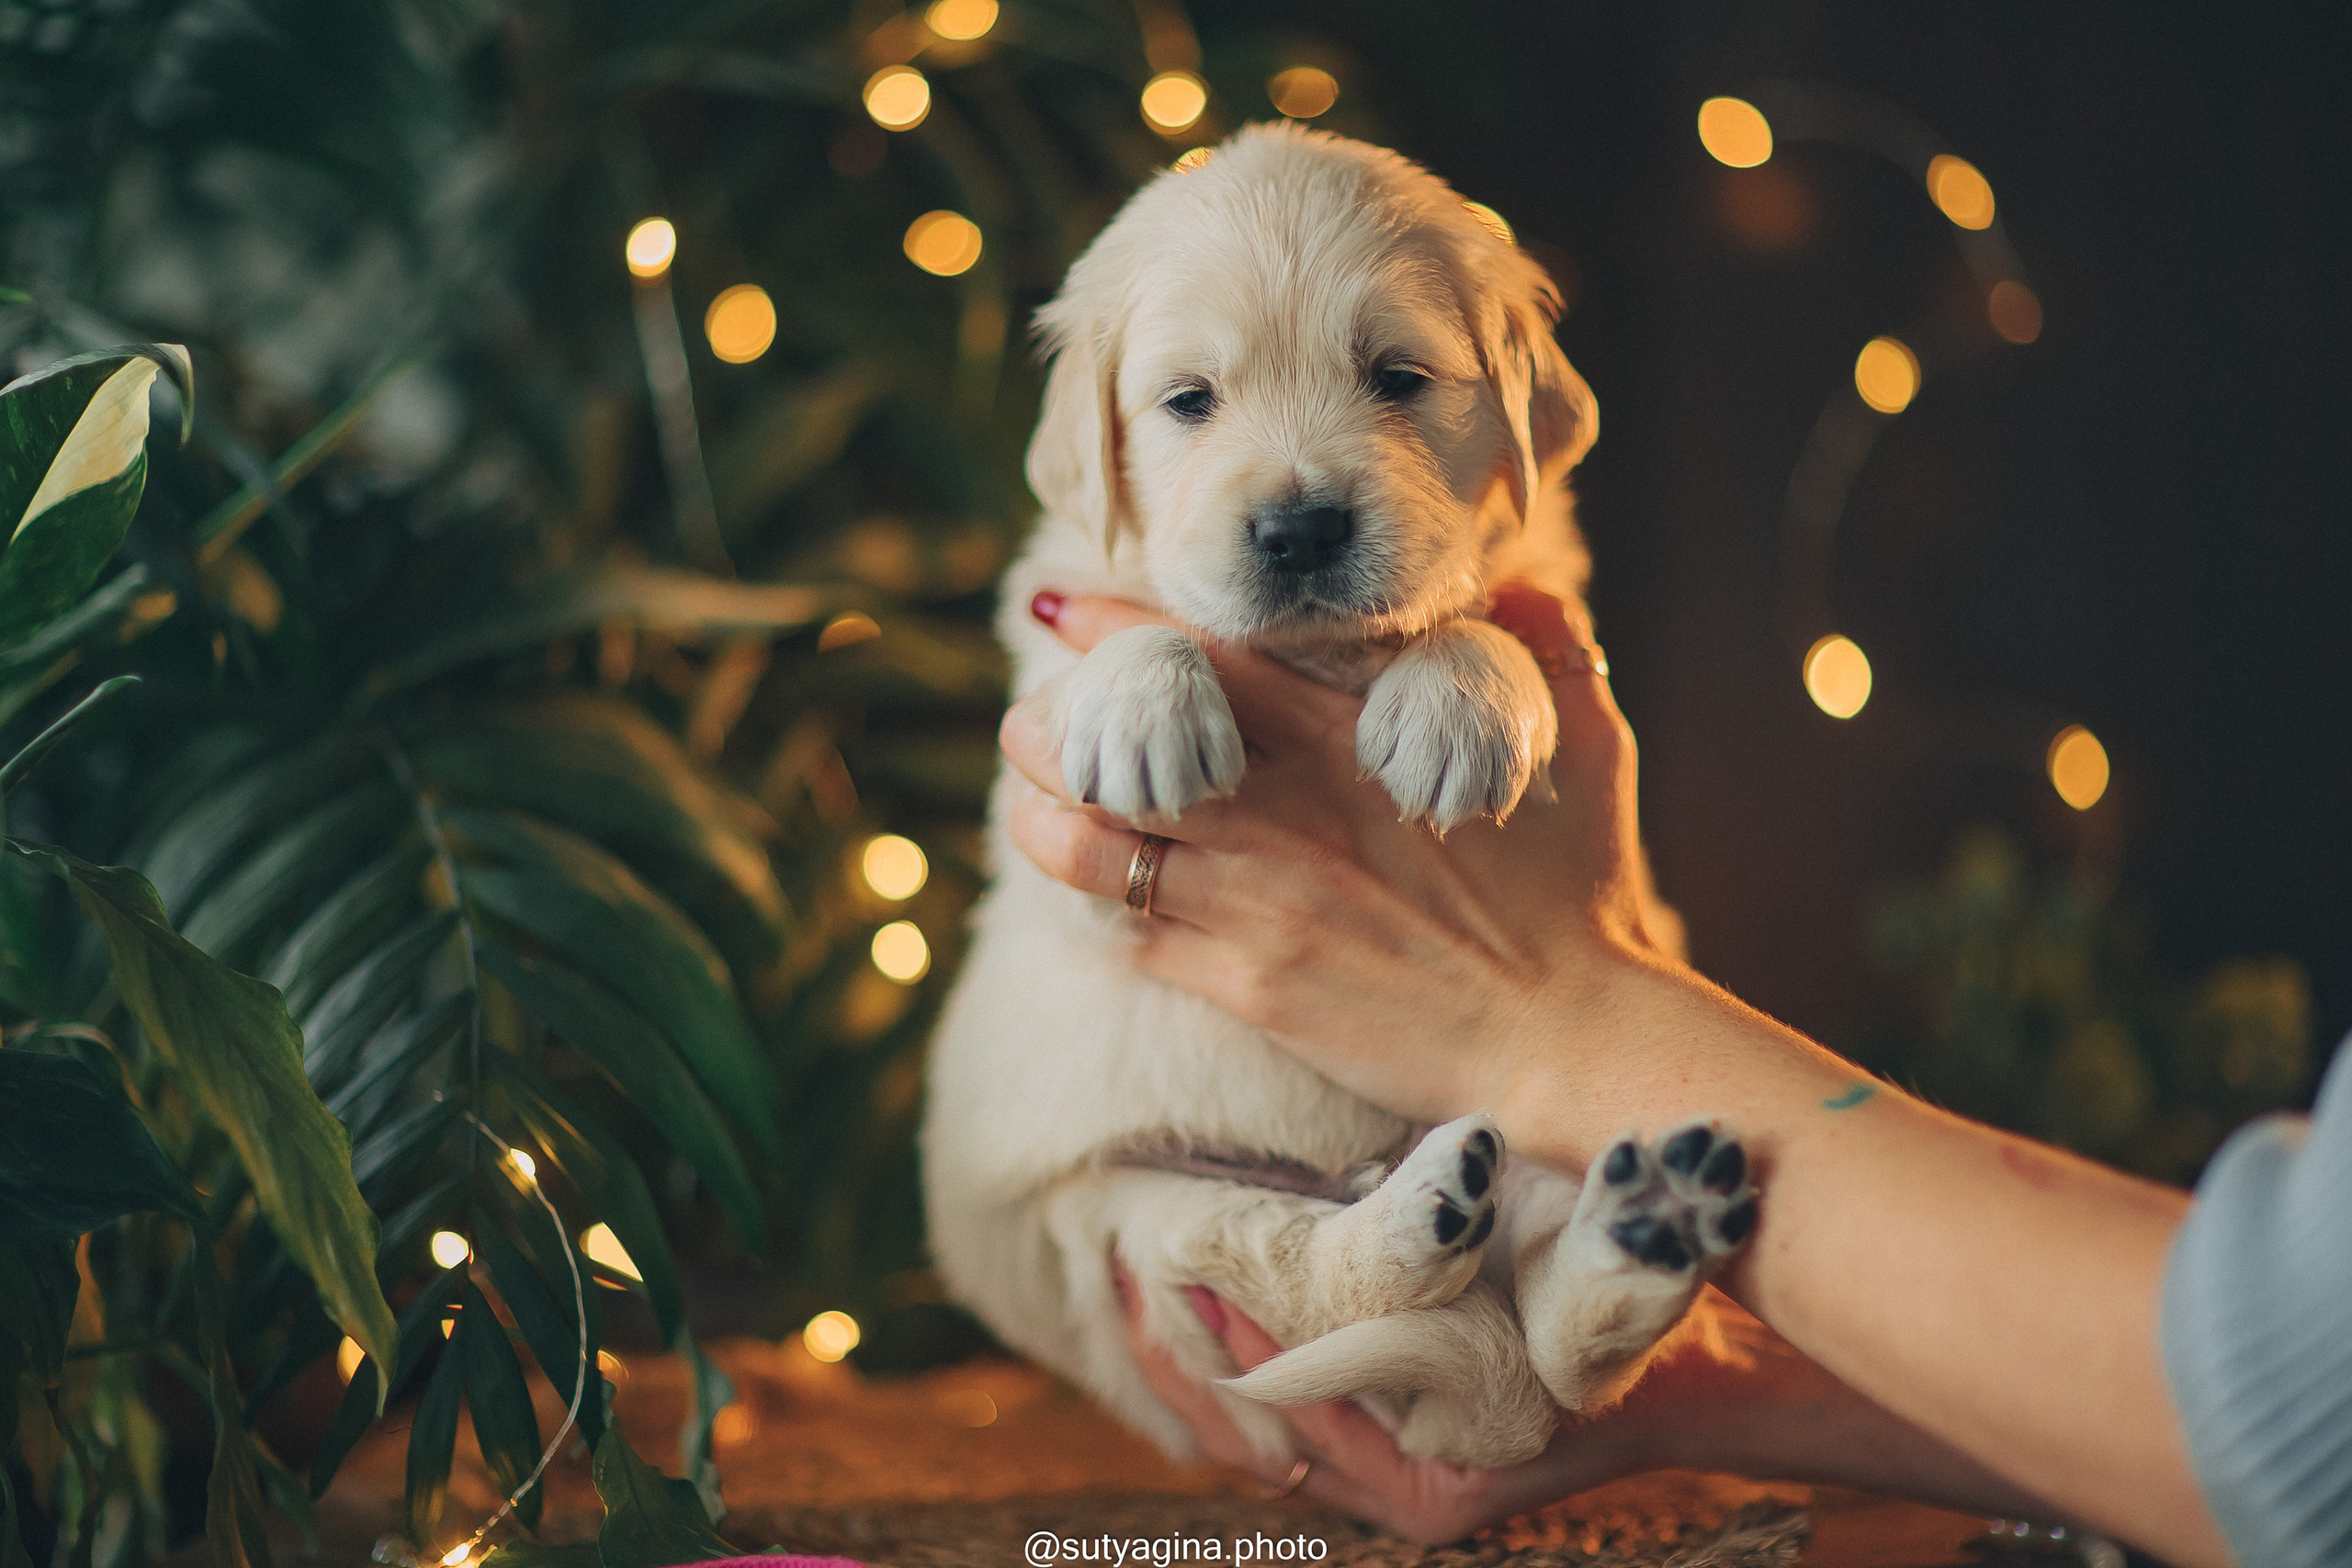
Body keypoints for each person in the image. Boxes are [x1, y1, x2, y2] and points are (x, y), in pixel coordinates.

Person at [994, 584, 2352, 1568]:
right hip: (1227, 1219)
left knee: (1525, 1204)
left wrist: (1549, 1015)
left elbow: (2307, 1415)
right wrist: (1714, 1384)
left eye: (1400, 378)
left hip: (1445, 1206)